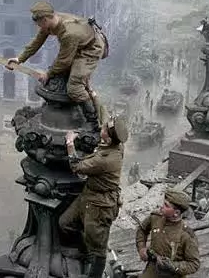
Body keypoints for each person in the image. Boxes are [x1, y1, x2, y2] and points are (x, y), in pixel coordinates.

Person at [59, 89, 129, 278]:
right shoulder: (116, 143)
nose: (101, 129)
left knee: (99, 252)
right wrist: (93, 93)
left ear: (108, 136)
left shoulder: (106, 159)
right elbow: (103, 114)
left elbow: (76, 166)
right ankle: (86, 249)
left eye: (104, 130)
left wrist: (69, 143)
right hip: (89, 196)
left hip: (100, 205)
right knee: (65, 223)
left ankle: (94, 272)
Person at [5, 1, 107, 123]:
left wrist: (48, 74)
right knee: (62, 74)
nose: (39, 28)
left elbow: (64, 60)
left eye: (39, 24)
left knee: (74, 87)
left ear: (45, 20)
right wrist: (19, 59)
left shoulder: (68, 33)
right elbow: (37, 41)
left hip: (90, 49)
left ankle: (92, 116)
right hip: (79, 44)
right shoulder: (52, 21)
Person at [135, 188, 200, 278]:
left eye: (166, 205)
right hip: (153, 269)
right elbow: (142, 230)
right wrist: (141, 248)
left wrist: (174, 266)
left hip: (172, 274)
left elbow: (194, 264)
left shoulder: (186, 235)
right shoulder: (155, 218)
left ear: (176, 213)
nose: (162, 207)